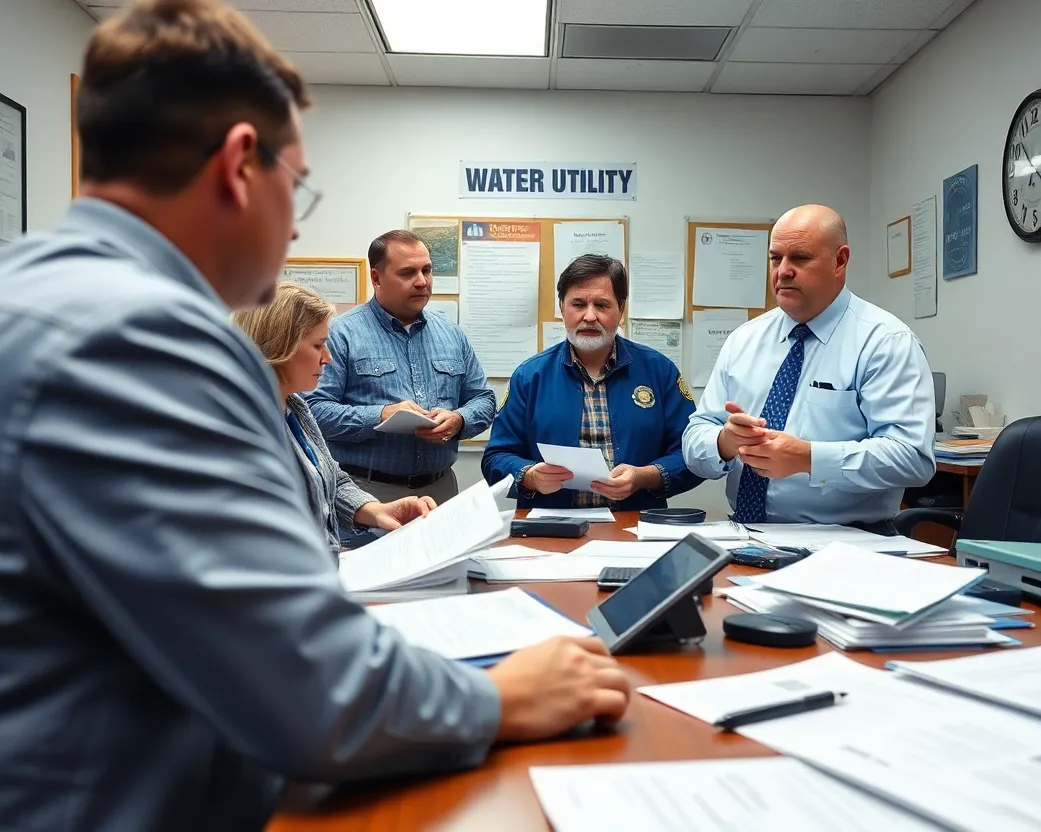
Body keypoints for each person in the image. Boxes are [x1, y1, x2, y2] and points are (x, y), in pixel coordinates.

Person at [0, 3, 629, 830]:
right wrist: (500, 696)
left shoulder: (36, 292)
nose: (296, 223)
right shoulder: (142, 338)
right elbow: (307, 687)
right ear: (239, 165)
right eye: (295, 186)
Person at [682, 204, 936, 529]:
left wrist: (810, 458)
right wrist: (725, 442)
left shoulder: (885, 342)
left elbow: (913, 459)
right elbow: (694, 438)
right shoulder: (743, 340)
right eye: (775, 258)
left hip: (846, 540)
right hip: (745, 533)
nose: (783, 271)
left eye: (800, 258)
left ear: (840, 261)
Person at [232, 281, 436, 556]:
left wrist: (377, 511)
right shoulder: (240, 425)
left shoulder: (296, 407)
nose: (327, 358)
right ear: (280, 346)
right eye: (318, 345)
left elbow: (331, 479)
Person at [483, 254, 702, 510]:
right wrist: (530, 476)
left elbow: (693, 454)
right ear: (562, 308)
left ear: (621, 310)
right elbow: (496, 458)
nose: (589, 316)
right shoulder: (529, 376)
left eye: (602, 305)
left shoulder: (659, 371)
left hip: (634, 523)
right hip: (553, 524)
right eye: (578, 304)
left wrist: (645, 476)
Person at [305, 229, 494, 505]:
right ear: (376, 278)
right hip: (367, 492)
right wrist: (380, 416)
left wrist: (459, 420)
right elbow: (313, 411)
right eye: (407, 273)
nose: (422, 281)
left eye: (426, 270)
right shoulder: (340, 334)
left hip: (440, 490)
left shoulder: (451, 334)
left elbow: (484, 399)